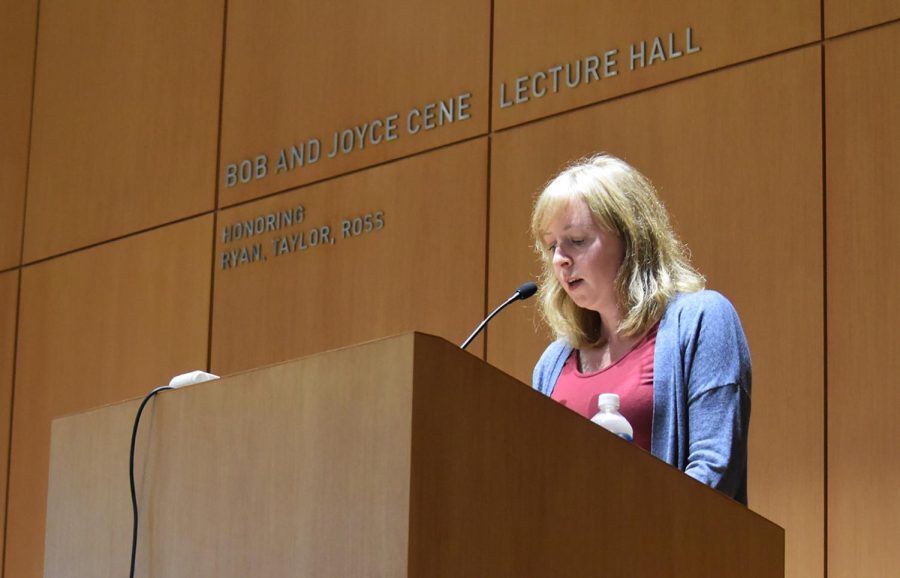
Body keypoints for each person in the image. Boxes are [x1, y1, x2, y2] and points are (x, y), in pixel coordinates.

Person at [531, 153, 751, 504]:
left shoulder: (701, 320)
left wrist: (628, 536)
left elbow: (713, 471)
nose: (560, 258)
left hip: (667, 551)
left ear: (631, 238)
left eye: (576, 239)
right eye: (552, 245)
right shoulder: (552, 363)